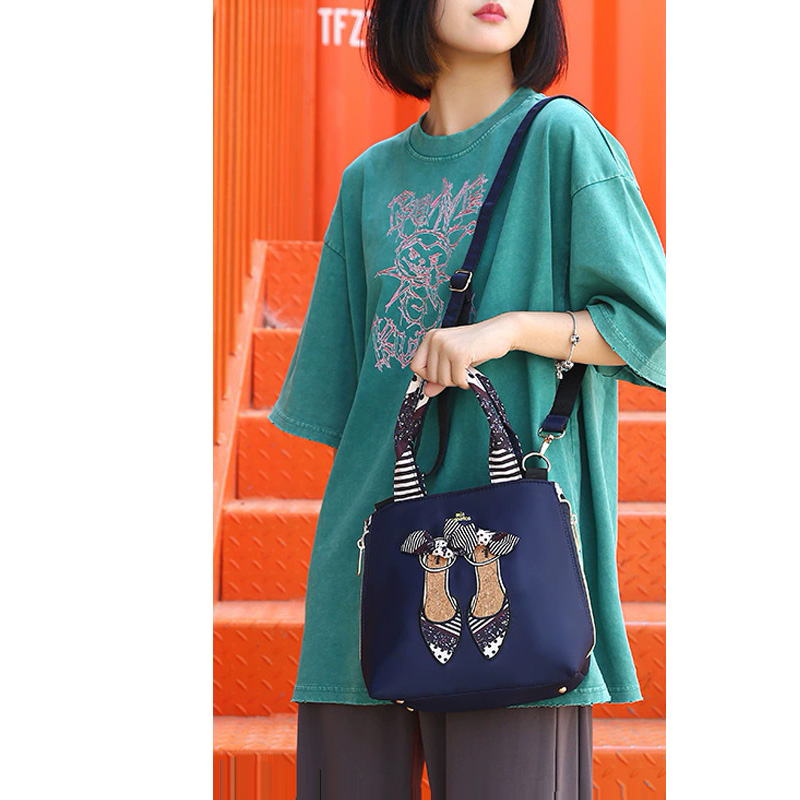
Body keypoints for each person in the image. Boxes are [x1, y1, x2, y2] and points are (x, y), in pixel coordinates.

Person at [267, 0, 666, 797]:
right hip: (369, 572)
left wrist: (508, 330)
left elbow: (655, 332)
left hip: (511, 575)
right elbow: (350, 410)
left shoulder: (562, 140)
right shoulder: (367, 180)